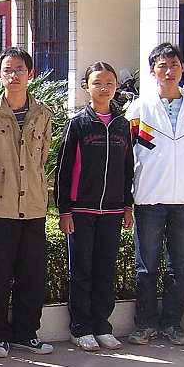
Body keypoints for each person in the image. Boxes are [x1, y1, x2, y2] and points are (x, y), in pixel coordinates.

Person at [0, 47, 54, 358]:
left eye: (20, 69)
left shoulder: (43, 114)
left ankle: (26, 332)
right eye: (7, 69)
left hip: (33, 207)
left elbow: (42, 158)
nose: (14, 75)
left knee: (32, 274)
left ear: (30, 74)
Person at [126, 43, 184, 347]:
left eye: (174, 65)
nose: (169, 71)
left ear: (182, 69)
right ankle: (145, 324)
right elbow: (128, 155)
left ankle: (172, 324)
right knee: (146, 266)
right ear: (152, 71)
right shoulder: (139, 109)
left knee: (179, 266)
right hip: (149, 198)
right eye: (162, 65)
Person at [54, 62, 134, 352]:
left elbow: (128, 168)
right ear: (86, 87)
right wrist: (64, 210)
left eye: (109, 83)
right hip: (81, 211)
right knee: (81, 270)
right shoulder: (77, 124)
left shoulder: (123, 125)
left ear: (116, 86)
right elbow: (63, 170)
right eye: (97, 83)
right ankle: (81, 328)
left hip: (112, 211)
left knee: (104, 269)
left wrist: (127, 205)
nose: (104, 88)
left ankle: (102, 326)